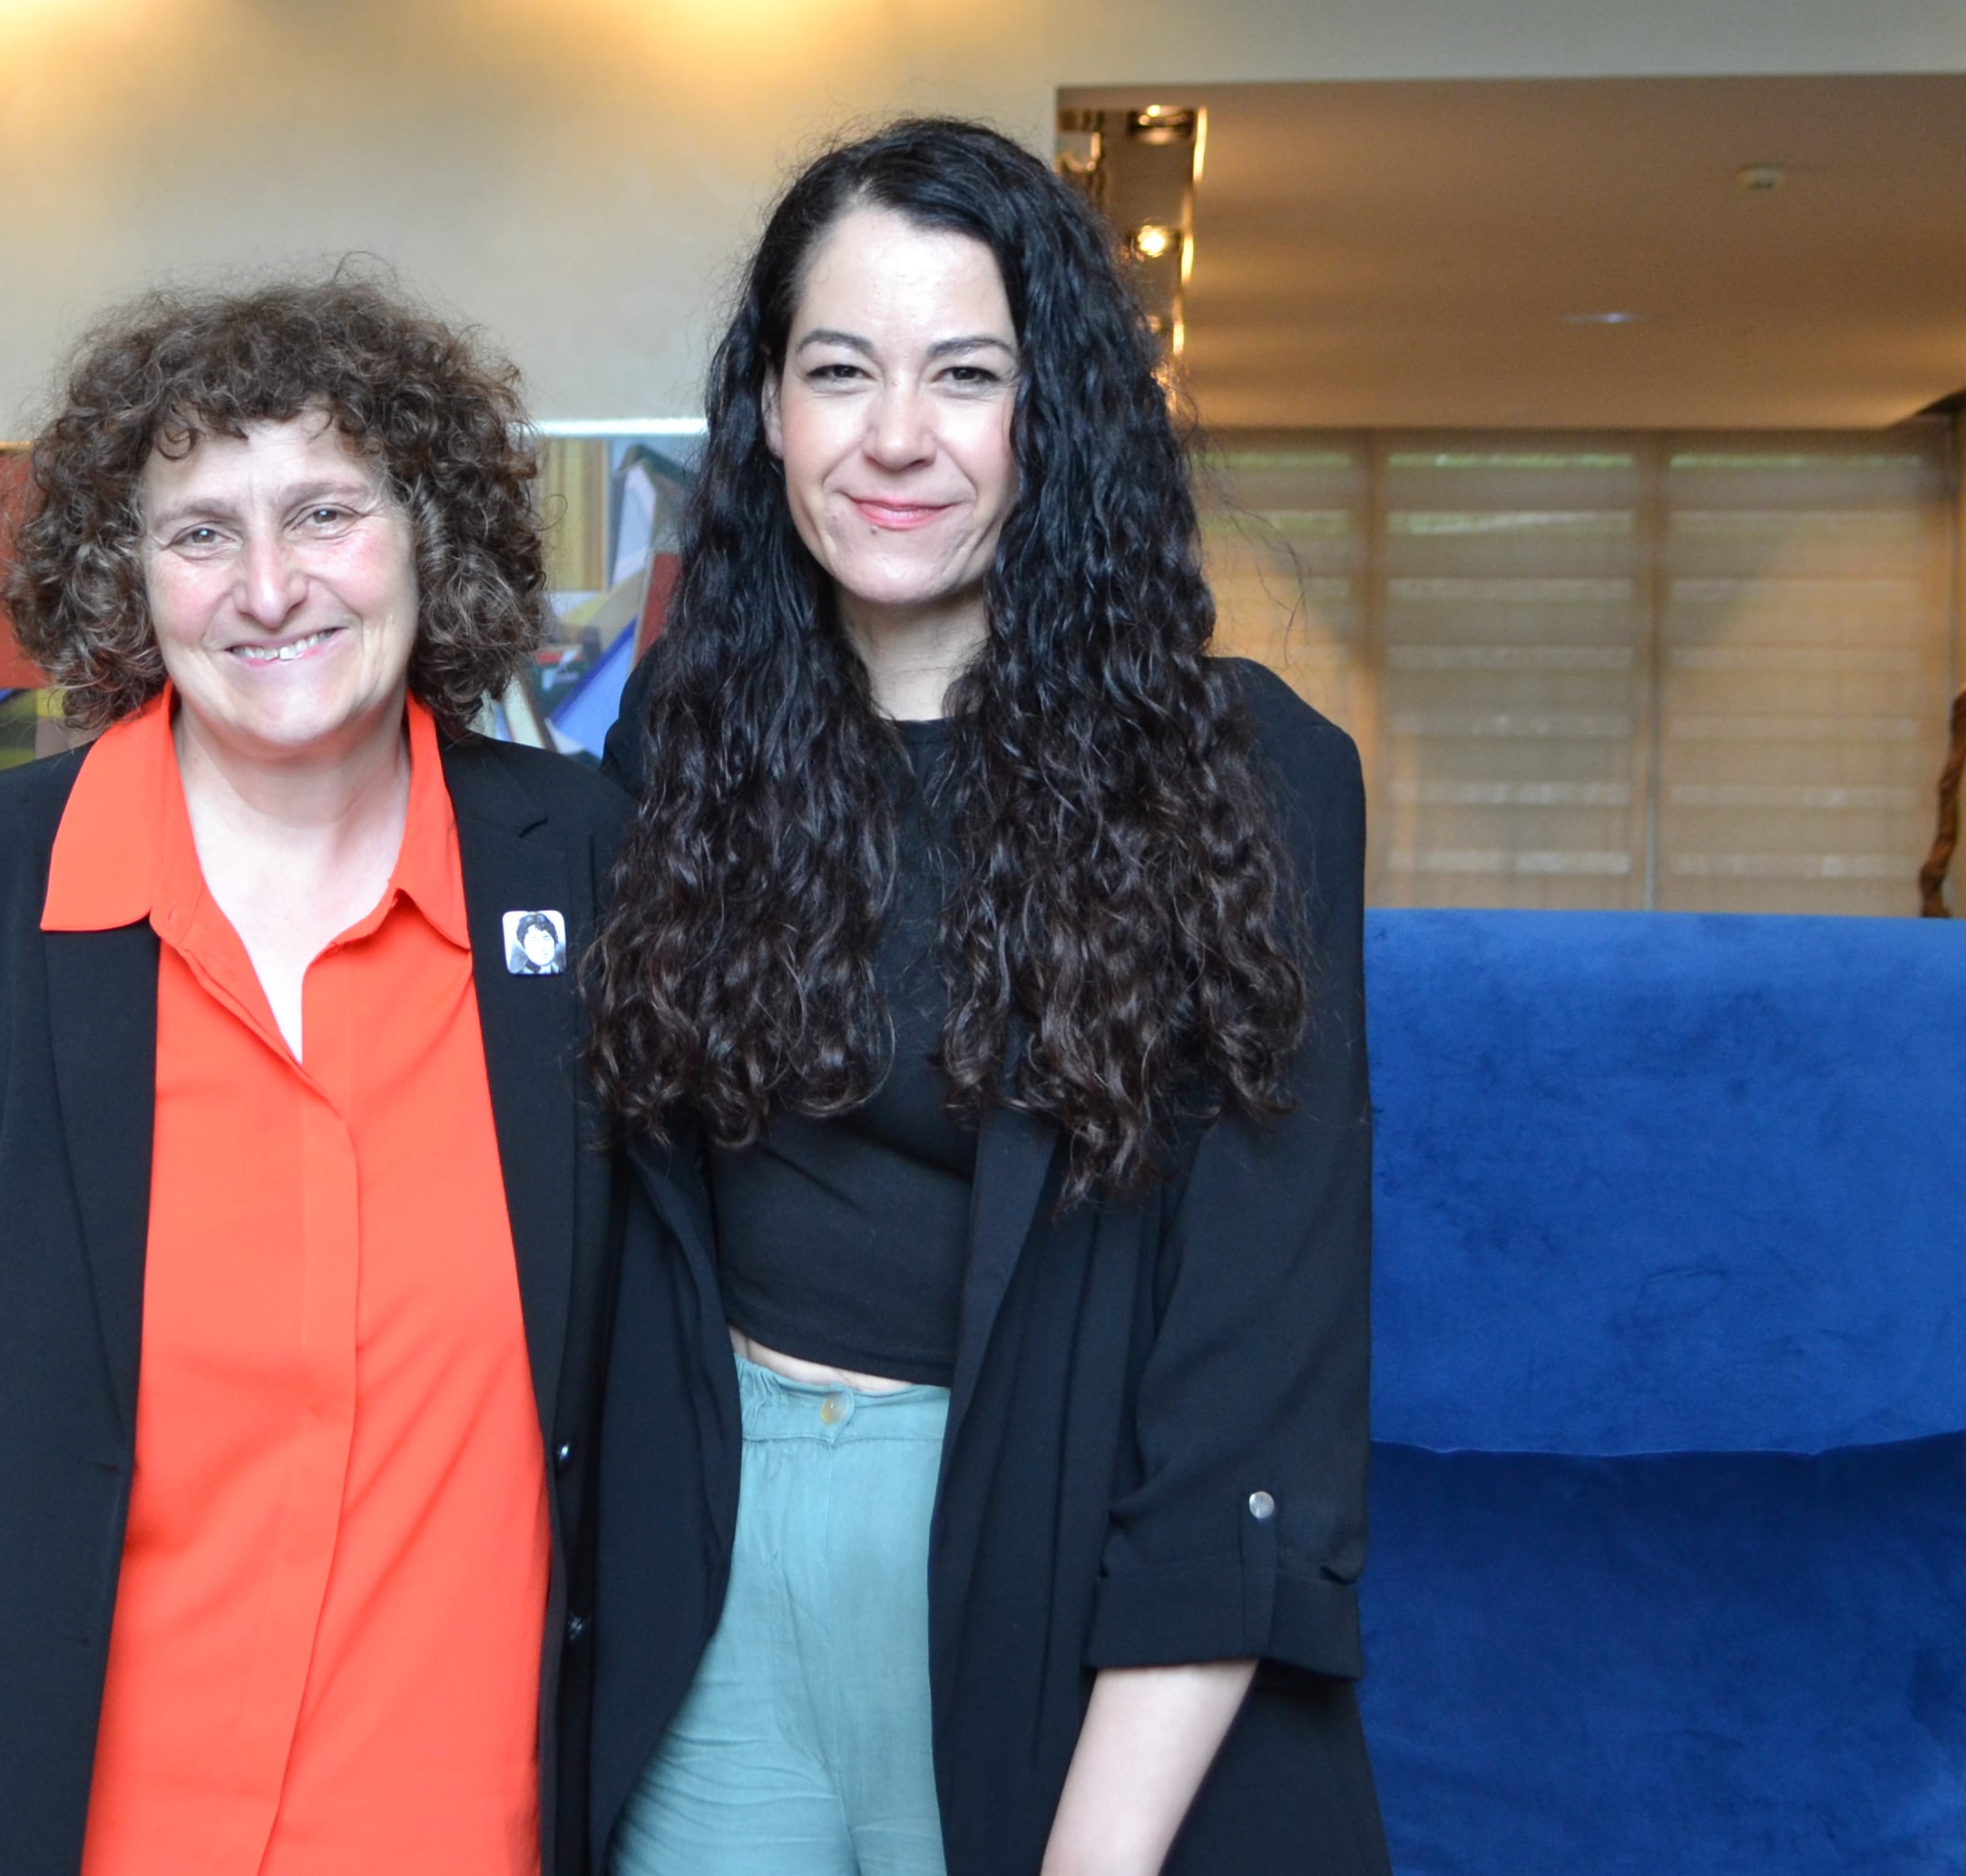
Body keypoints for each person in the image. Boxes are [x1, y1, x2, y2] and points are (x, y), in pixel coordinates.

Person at [0, 278, 627, 1876]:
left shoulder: (591, 865)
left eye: (325, 511)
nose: (268, 589)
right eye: (200, 532)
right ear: (127, 575)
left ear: (427, 537)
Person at [583, 120, 1386, 1876]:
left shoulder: (1249, 779)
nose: (893, 436)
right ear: (769, 414)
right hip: (714, 1556)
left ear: (1058, 415)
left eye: (964, 373)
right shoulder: (676, 748)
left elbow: (1258, 1372)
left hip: (1062, 1563)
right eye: (837, 370)